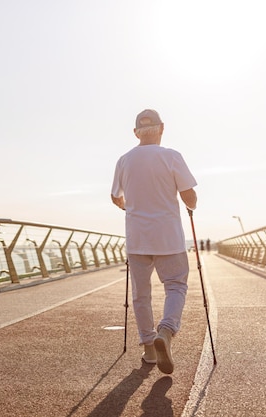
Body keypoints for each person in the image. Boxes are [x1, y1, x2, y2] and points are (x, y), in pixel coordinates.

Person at [111, 109, 197, 374]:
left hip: (137, 239)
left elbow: (116, 197)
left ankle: (149, 347)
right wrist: (191, 207)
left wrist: (131, 208)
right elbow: (189, 195)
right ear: (162, 128)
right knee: (175, 286)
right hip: (168, 237)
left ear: (136, 132)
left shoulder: (124, 160)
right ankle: (166, 332)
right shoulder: (171, 156)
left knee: (141, 294)